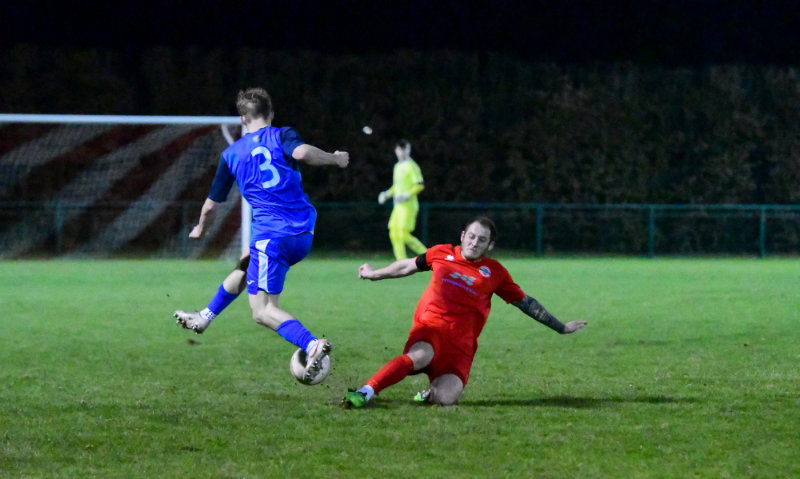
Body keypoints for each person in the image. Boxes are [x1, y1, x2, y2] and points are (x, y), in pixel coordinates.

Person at [175, 87, 349, 383]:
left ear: (242, 119)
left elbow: (211, 204)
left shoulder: (231, 154)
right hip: (303, 233)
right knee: (246, 263)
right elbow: (302, 152)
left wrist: (201, 227)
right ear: (271, 114)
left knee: (263, 311)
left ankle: (311, 345)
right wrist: (335, 158)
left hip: (273, 237)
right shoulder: (282, 134)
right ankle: (205, 316)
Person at [342, 216, 587, 408]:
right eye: (471, 236)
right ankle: (365, 392)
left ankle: (430, 394)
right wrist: (374, 274)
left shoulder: (495, 272)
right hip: (431, 328)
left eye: (482, 240)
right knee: (419, 357)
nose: (474, 242)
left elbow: (525, 303)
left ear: (490, 245)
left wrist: (561, 327)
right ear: (462, 236)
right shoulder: (442, 253)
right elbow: (408, 266)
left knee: (446, 399)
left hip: (461, 346)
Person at [377, 139, 426, 260]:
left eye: (405, 149)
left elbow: (420, 185)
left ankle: (429, 257)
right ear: (396, 151)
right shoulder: (397, 166)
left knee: (403, 233)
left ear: (408, 150)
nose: (402, 152)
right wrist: (387, 194)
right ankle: (401, 262)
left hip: (408, 205)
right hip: (398, 206)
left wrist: (407, 195)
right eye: (400, 149)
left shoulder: (411, 166)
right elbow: (397, 186)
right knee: (394, 232)